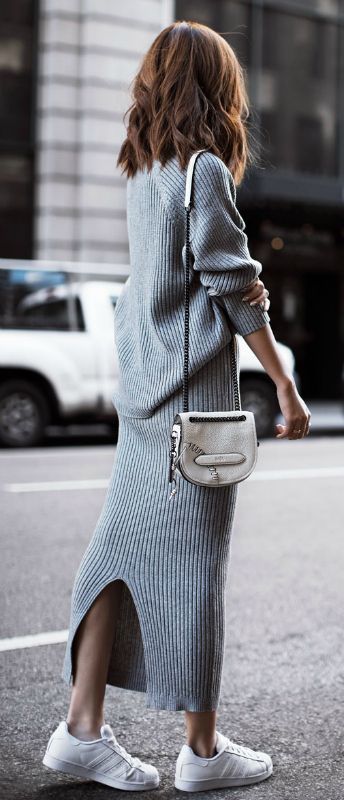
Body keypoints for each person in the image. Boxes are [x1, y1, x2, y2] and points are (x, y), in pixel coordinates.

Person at [42, 20, 311, 793]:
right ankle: (202, 751)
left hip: (144, 408)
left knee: (114, 561)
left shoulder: (144, 169)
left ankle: (82, 729)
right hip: (193, 415)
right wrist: (285, 386)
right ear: (216, 89)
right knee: (195, 570)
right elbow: (234, 286)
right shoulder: (203, 170)